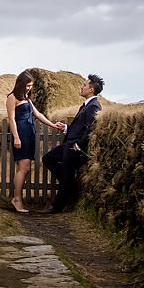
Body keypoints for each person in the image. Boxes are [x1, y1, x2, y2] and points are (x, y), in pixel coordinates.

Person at [39, 74, 104, 214]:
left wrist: (78, 145)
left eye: (85, 85)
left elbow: (90, 129)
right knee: (47, 159)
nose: (82, 87)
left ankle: (56, 207)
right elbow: (80, 126)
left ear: (91, 89)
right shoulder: (86, 105)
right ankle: (71, 186)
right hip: (69, 143)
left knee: (67, 175)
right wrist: (66, 128)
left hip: (74, 146)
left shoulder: (94, 106)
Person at [5, 70, 65, 213]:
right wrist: (17, 137)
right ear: (20, 83)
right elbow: (11, 119)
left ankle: (18, 199)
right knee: (23, 168)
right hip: (21, 134)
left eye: (31, 86)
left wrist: (52, 125)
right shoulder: (12, 98)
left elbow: (38, 114)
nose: (29, 88)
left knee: (26, 168)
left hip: (30, 134)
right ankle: (16, 200)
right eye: (27, 85)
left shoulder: (27, 98)